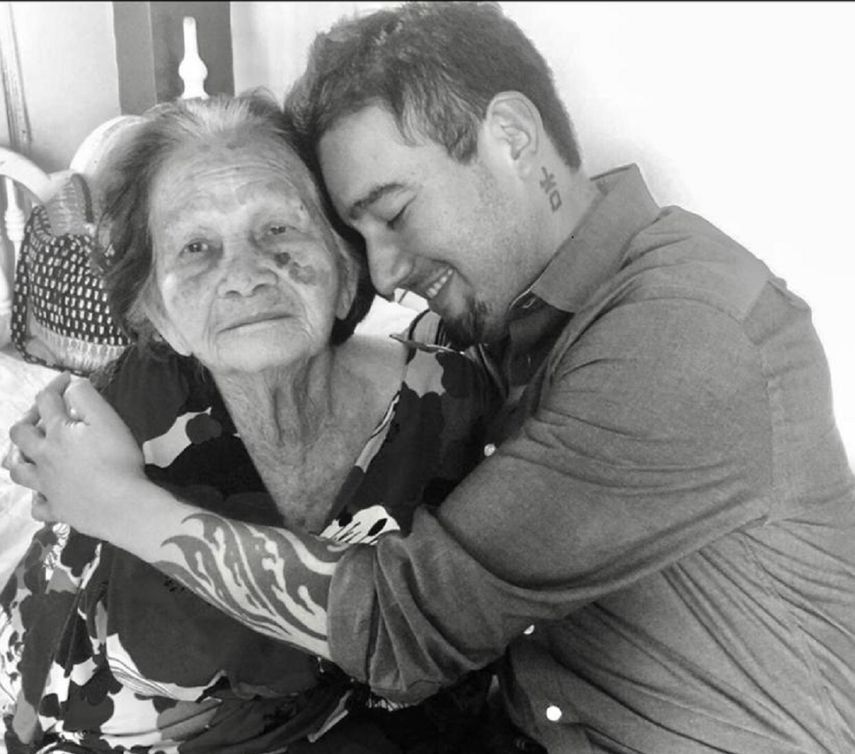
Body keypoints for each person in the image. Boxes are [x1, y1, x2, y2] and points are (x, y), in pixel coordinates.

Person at [9, 2, 855, 752]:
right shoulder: (515, 324)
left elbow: (408, 626)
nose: (378, 269)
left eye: (394, 212)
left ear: (514, 141)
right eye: (357, 233)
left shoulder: (681, 336)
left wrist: (117, 504)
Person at [1, 92, 501, 752]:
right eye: (197, 247)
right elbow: (60, 649)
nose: (244, 276)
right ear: (158, 315)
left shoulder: (448, 411)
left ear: (347, 271)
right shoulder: (121, 409)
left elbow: (434, 650)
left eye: (278, 230)